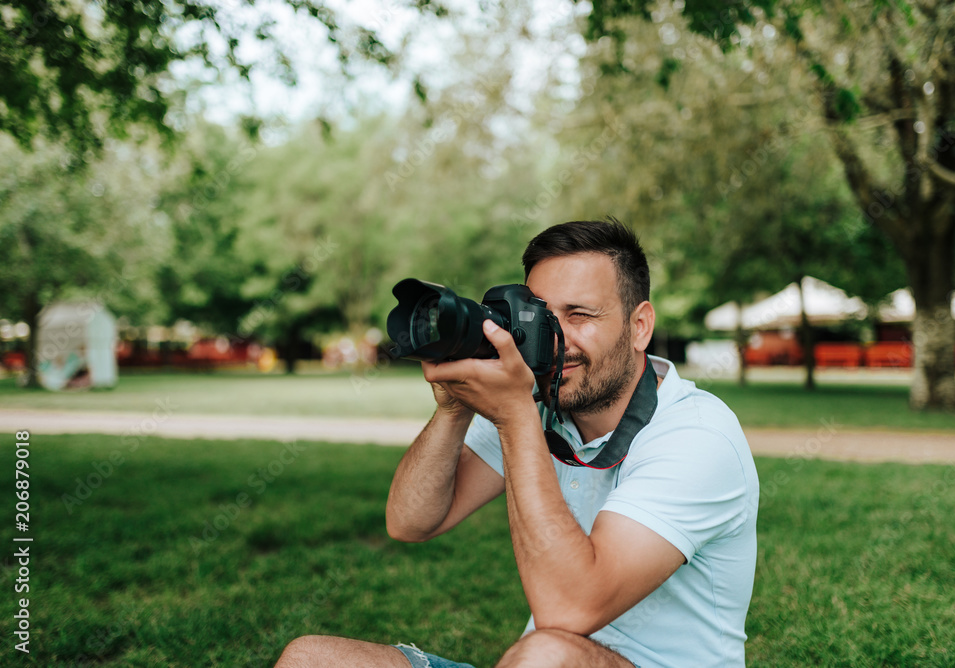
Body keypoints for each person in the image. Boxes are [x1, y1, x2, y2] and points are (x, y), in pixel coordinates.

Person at [275, 220, 759, 668]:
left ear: (639, 326)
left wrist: (512, 414)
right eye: (544, 317)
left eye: (581, 315)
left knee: (546, 654)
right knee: (310, 658)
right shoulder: (539, 400)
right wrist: (454, 406)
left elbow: (568, 608)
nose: (557, 340)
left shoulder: (697, 435)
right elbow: (410, 521)